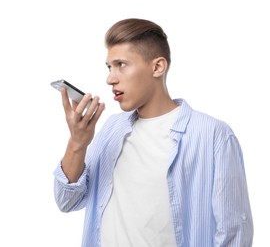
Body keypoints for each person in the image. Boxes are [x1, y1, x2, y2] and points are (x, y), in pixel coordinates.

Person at [53, 18, 254, 247]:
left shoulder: (213, 135)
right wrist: (78, 142)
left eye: (121, 64)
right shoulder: (112, 129)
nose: (110, 78)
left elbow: (234, 232)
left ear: (157, 67)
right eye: (109, 67)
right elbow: (66, 201)